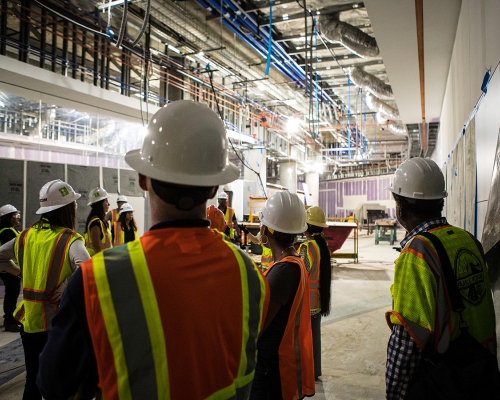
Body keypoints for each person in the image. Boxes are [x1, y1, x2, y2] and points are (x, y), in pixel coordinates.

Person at [37, 100, 269, 400]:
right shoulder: (249, 274)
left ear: (143, 179)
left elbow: (53, 383)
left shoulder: (96, 281)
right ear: (214, 189)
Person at [385, 157, 497, 399]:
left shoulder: (417, 253)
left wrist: (394, 392)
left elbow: (407, 339)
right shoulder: (468, 240)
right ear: (439, 201)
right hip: (482, 372)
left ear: (400, 206)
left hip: (445, 380)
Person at [0, 180, 89, 400]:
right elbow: (90, 271)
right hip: (58, 322)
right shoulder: (70, 240)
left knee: (34, 379)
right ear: (68, 208)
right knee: (61, 384)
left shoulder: (25, 236)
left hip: (29, 321)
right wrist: (68, 285)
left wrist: (19, 272)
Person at [250, 190, 315, 400]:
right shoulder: (293, 263)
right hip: (275, 365)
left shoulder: (284, 271)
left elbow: (257, 325)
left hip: (270, 368)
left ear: (266, 231)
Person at [299, 206, 332, 380]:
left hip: (307, 301)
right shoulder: (322, 245)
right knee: (315, 337)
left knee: (306, 339)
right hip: (318, 299)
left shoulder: (307, 247)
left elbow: (301, 270)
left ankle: (308, 371)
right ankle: (315, 371)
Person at [0, 204, 21, 332]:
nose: (17, 218)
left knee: (12, 292)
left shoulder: (10, 230)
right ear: (8, 218)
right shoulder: (7, 232)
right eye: (15, 215)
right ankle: (9, 321)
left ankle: (11, 317)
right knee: (12, 293)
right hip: (8, 267)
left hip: (9, 267)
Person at [84, 187, 112, 255]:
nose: (109, 204)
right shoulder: (95, 223)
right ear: (100, 204)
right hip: (97, 262)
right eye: (106, 201)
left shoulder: (101, 221)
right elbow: (96, 247)